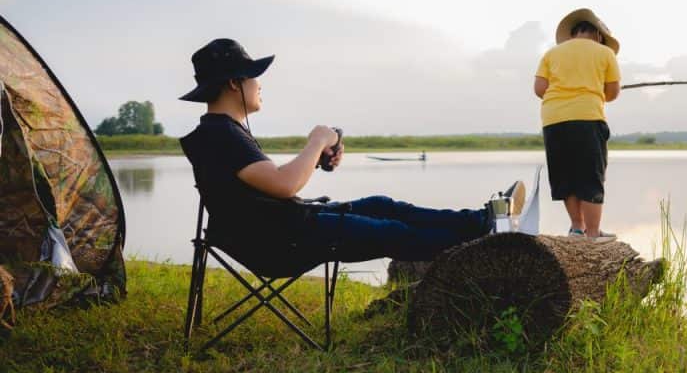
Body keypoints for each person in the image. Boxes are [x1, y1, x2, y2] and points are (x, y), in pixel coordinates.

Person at [178, 38, 524, 277]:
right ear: (234, 84)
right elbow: (283, 185)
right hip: (280, 241)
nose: (259, 84)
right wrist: (316, 141)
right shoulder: (220, 133)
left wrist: (317, 157)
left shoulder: (221, 131)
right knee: (391, 231)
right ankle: (488, 245)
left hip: (284, 227)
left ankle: (480, 222)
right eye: (253, 76)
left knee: (383, 204)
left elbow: (264, 185)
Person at [533, 8, 620, 242]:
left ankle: (577, 228)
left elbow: (540, 89)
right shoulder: (605, 53)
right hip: (588, 118)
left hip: (554, 120)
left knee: (566, 175)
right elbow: (612, 93)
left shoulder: (551, 54)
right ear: (599, 36)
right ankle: (593, 233)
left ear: (572, 35)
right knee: (591, 176)